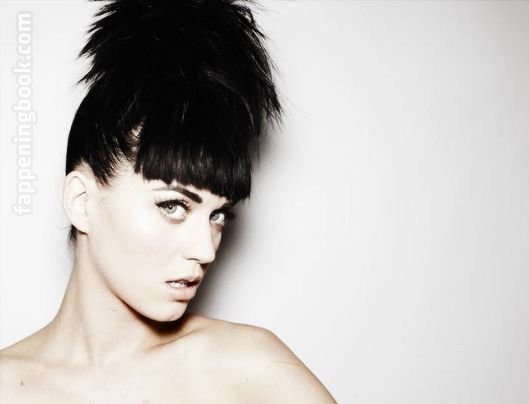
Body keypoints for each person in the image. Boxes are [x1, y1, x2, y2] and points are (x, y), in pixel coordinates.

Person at [0, 0, 336, 402]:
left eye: (218, 215)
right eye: (173, 206)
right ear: (81, 201)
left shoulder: (251, 370)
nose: (206, 250)